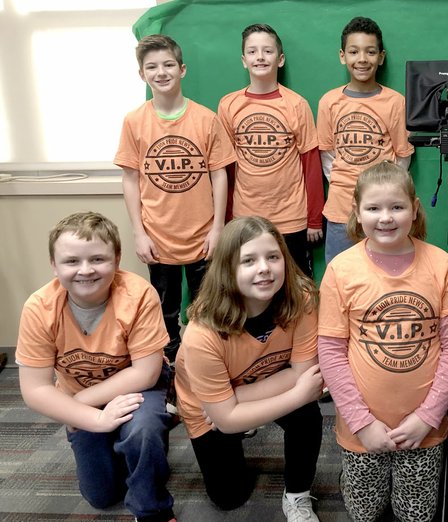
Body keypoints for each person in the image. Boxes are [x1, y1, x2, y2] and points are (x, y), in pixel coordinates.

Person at [318, 161, 448, 521]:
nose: (385, 218)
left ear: (414, 209)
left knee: (415, 514)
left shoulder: (442, 265)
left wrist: (428, 416)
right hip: (361, 429)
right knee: (364, 512)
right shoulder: (341, 269)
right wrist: (361, 422)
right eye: (373, 208)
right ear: (356, 213)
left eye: (396, 207)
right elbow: (332, 352)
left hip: (423, 428)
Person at [16, 212, 176, 522]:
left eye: (98, 259)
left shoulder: (139, 294)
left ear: (117, 259)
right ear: (53, 265)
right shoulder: (39, 307)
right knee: (101, 497)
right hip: (81, 395)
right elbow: (34, 389)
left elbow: (146, 372)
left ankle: (152, 510)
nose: (85, 270)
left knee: (142, 430)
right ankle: (127, 445)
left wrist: (78, 407)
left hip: (140, 387)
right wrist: (97, 418)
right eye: (71, 261)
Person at [174, 216, 323, 520]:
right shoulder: (202, 332)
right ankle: (247, 424)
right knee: (229, 498)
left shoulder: (302, 299)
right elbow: (226, 420)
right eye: (248, 261)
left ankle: (297, 494)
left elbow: (302, 372)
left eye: (273, 257)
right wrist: (299, 394)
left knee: (308, 417)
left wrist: (237, 398)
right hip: (205, 407)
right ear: (227, 269)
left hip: (245, 391)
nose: (264, 268)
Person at [115, 34, 235, 363]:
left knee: (206, 310)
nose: (161, 72)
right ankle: (171, 373)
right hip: (158, 235)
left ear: (182, 69)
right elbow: (130, 178)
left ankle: (203, 367)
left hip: (202, 234)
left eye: (168, 64)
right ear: (142, 75)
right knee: (164, 313)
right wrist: (139, 233)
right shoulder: (134, 121)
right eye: (152, 67)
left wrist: (217, 228)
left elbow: (218, 173)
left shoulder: (206, 118)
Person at [218, 23, 324, 277]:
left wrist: (314, 219)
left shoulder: (296, 104)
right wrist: (226, 218)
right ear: (244, 60)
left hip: (291, 218)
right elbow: (225, 170)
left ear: (280, 59)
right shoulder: (228, 105)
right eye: (252, 52)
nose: (260, 57)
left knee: (297, 290)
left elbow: (311, 164)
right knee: (252, 287)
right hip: (245, 218)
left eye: (267, 51)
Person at [317, 16, 414, 263]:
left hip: (383, 213)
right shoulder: (329, 101)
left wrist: (382, 192)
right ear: (343, 56)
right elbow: (327, 155)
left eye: (370, 52)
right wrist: (353, 190)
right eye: (354, 51)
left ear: (381, 57)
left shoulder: (395, 102)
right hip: (340, 209)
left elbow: (403, 155)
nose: (362, 59)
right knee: (340, 277)